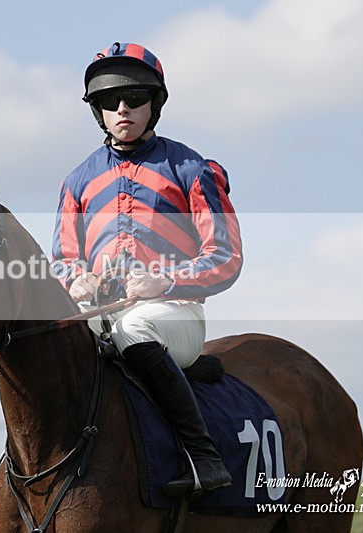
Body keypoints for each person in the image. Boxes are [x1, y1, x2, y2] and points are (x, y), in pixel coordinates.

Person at [51, 42, 243, 494]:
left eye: (135, 99)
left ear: (154, 104)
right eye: (108, 102)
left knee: (134, 329)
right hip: (100, 315)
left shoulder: (193, 169)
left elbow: (227, 257)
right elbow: (61, 259)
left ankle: (204, 458)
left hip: (172, 314)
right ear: (97, 110)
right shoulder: (76, 181)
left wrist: (167, 280)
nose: (123, 109)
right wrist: (77, 279)